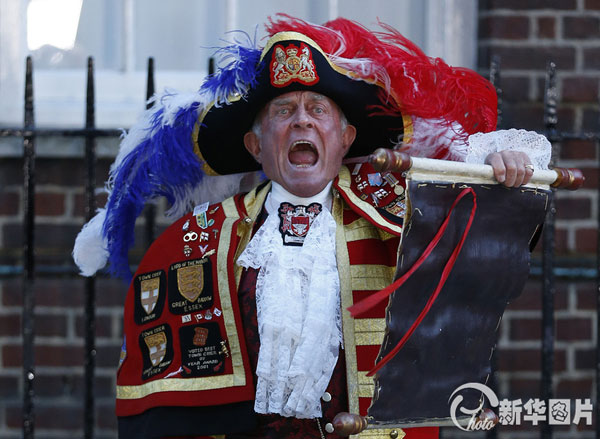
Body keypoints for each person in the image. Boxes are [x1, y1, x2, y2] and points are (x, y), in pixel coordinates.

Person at [73, 14, 550, 439]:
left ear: (345, 140)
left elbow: (490, 244)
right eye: (283, 112)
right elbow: (160, 404)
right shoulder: (201, 238)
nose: (302, 121)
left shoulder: (401, 212)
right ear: (255, 146)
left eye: (318, 110)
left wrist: (499, 174)